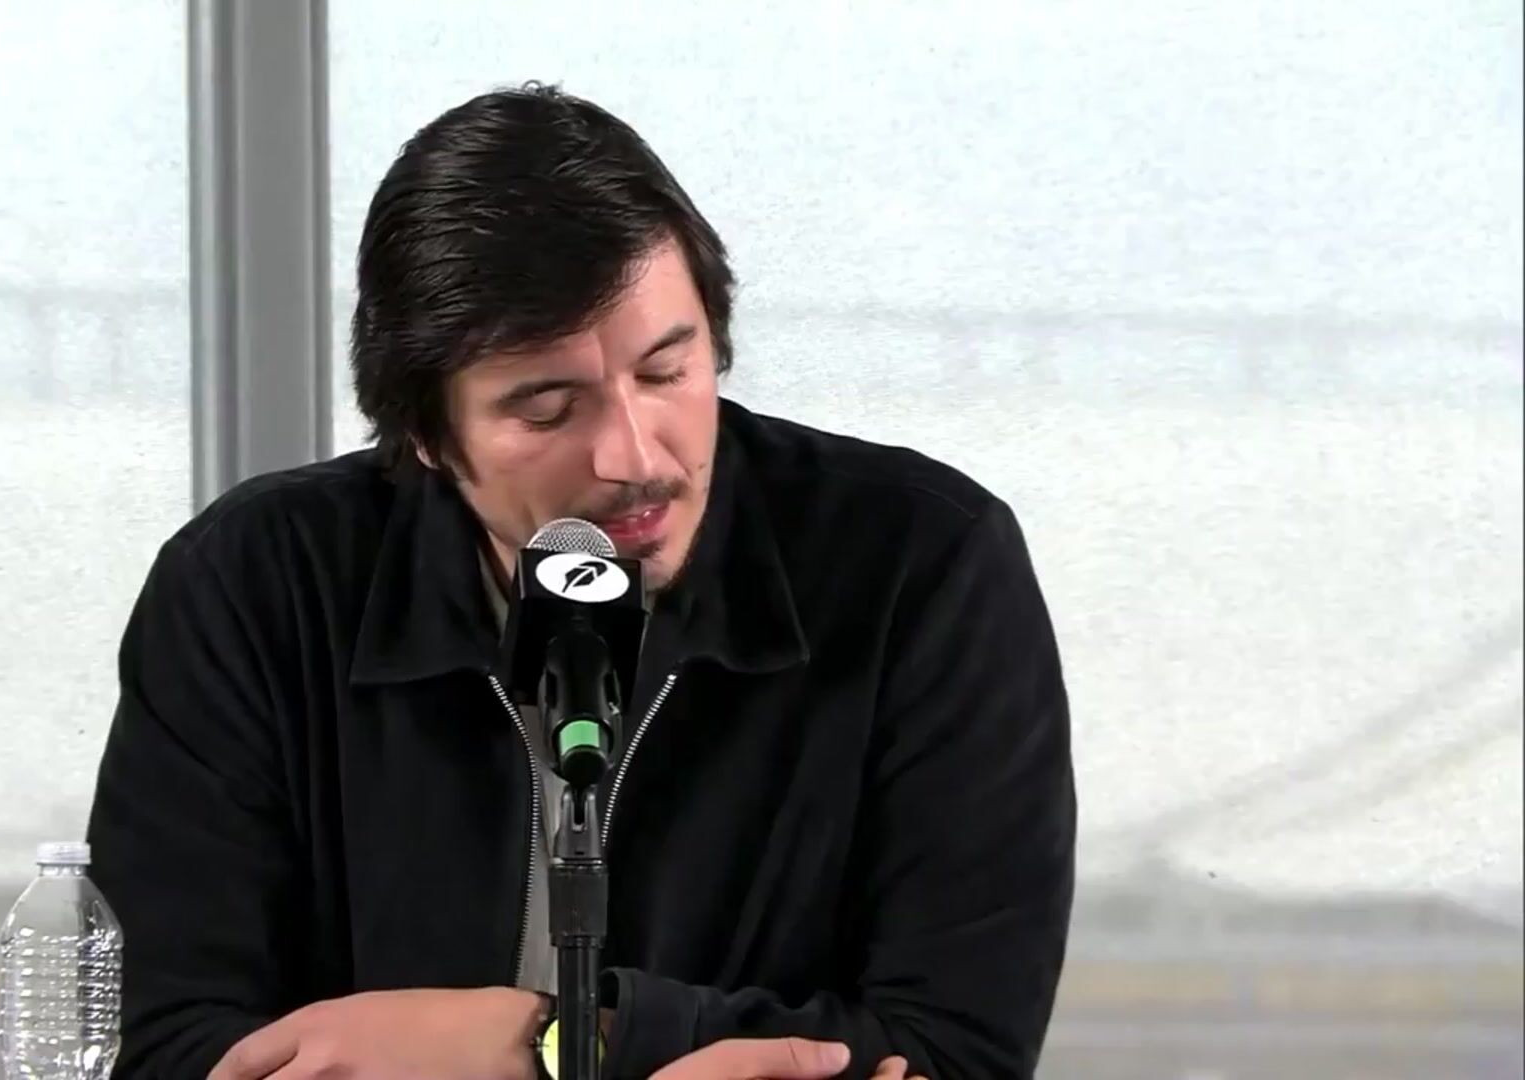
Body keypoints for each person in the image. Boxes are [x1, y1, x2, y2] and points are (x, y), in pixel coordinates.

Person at [86, 82, 1075, 1080]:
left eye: (666, 372)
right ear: (428, 434)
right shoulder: (253, 585)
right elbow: (166, 1042)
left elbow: (954, 1048)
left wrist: (538, 1043)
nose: (634, 456)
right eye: (548, 408)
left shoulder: (922, 565)